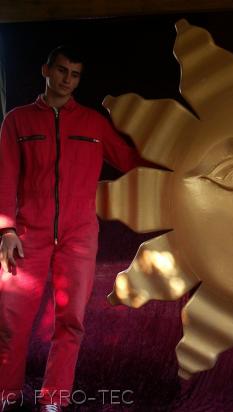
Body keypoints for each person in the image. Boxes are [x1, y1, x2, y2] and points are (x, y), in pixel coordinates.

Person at [0, 45, 142, 412]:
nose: (67, 79)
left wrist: (172, 156)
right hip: (27, 234)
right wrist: (6, 230)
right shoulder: (17, 121)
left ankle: (54, 399)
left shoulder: (93, 124)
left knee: (71, 321)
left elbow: (130, 160)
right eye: (62, 70)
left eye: (75, 74)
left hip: (79, 235)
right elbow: (5, 176)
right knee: (11, 320)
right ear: (46, 70)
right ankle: (7, 395)